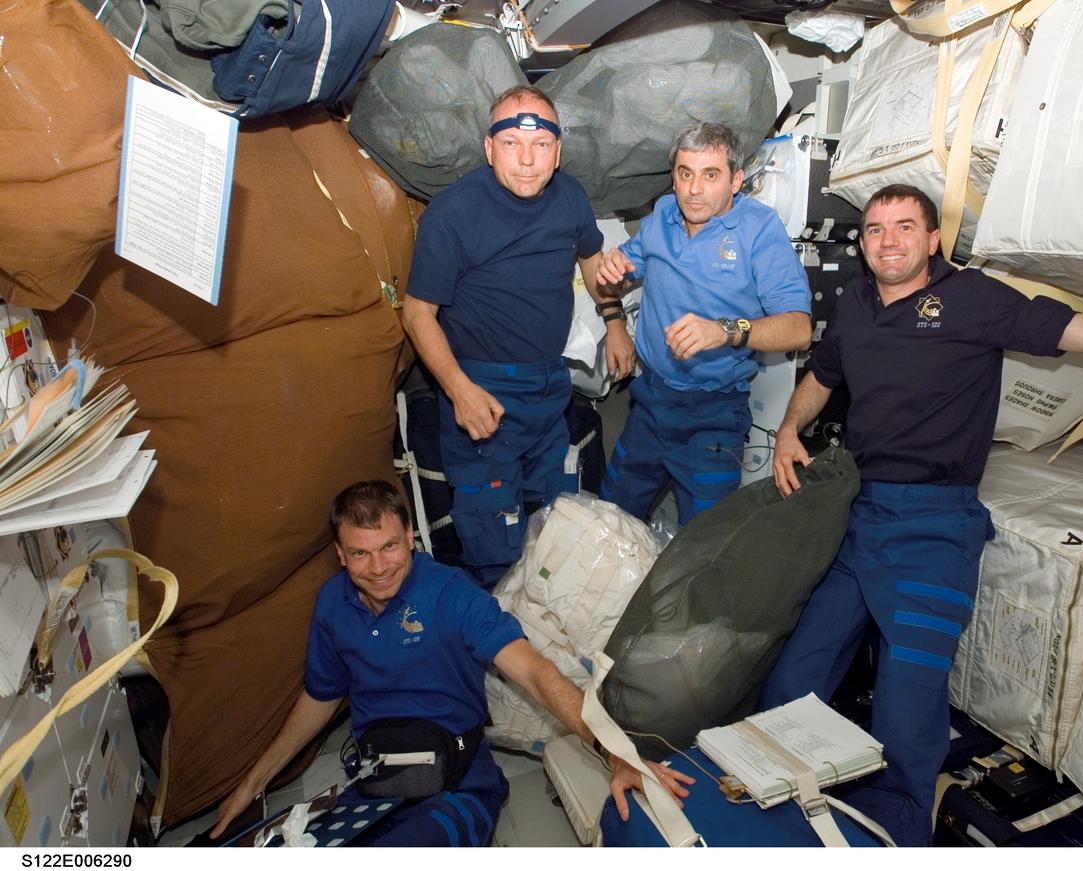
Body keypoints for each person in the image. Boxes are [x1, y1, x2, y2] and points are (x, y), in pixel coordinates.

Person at [762, 183, 1083, 846]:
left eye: (903, 227)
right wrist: (786, 429)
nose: (887, 240)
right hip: (857, 517)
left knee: (904, 723)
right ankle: (765, 822)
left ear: (931, 240)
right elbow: (822, 375)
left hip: (933, 531)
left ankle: (892, 843)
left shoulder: (974, 299)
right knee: (791, 681)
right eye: (874, 229)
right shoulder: (856, 304)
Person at [210, 481, 690, 845]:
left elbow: (537, 674)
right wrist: (252, 785)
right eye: (360, 553)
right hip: (378, 776)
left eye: (389, 547)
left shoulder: (451, 594)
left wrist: (617, 754)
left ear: (411, 538)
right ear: (340, 555)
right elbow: (321, 695)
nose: (378, 568)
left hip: (461, 779)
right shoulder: (333, 605)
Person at [402, 85, 635, 588]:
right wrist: (459, 391)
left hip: (549, 386)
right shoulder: (452, 214)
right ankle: (495, 651)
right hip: (482, 389)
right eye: (511, 144)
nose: (527, 160)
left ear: (558, 150)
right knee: (493, 538)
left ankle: (545, 636)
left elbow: (591, 257)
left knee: (554, 525)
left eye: (541, 145)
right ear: (489, 149)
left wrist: (614, 321)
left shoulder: (570, 195)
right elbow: (418, 314)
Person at [594, 122, 812, 525]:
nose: (694, 189)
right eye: (685, 173)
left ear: (736, 180)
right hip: (650, 402)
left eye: (710, 175)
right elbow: (623, 273)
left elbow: (798, 327)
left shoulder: (759, 230)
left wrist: (726, 330)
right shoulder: (662, 214)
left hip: (713, 412)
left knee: (703, 543)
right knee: (611, 517)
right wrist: (613, 272)